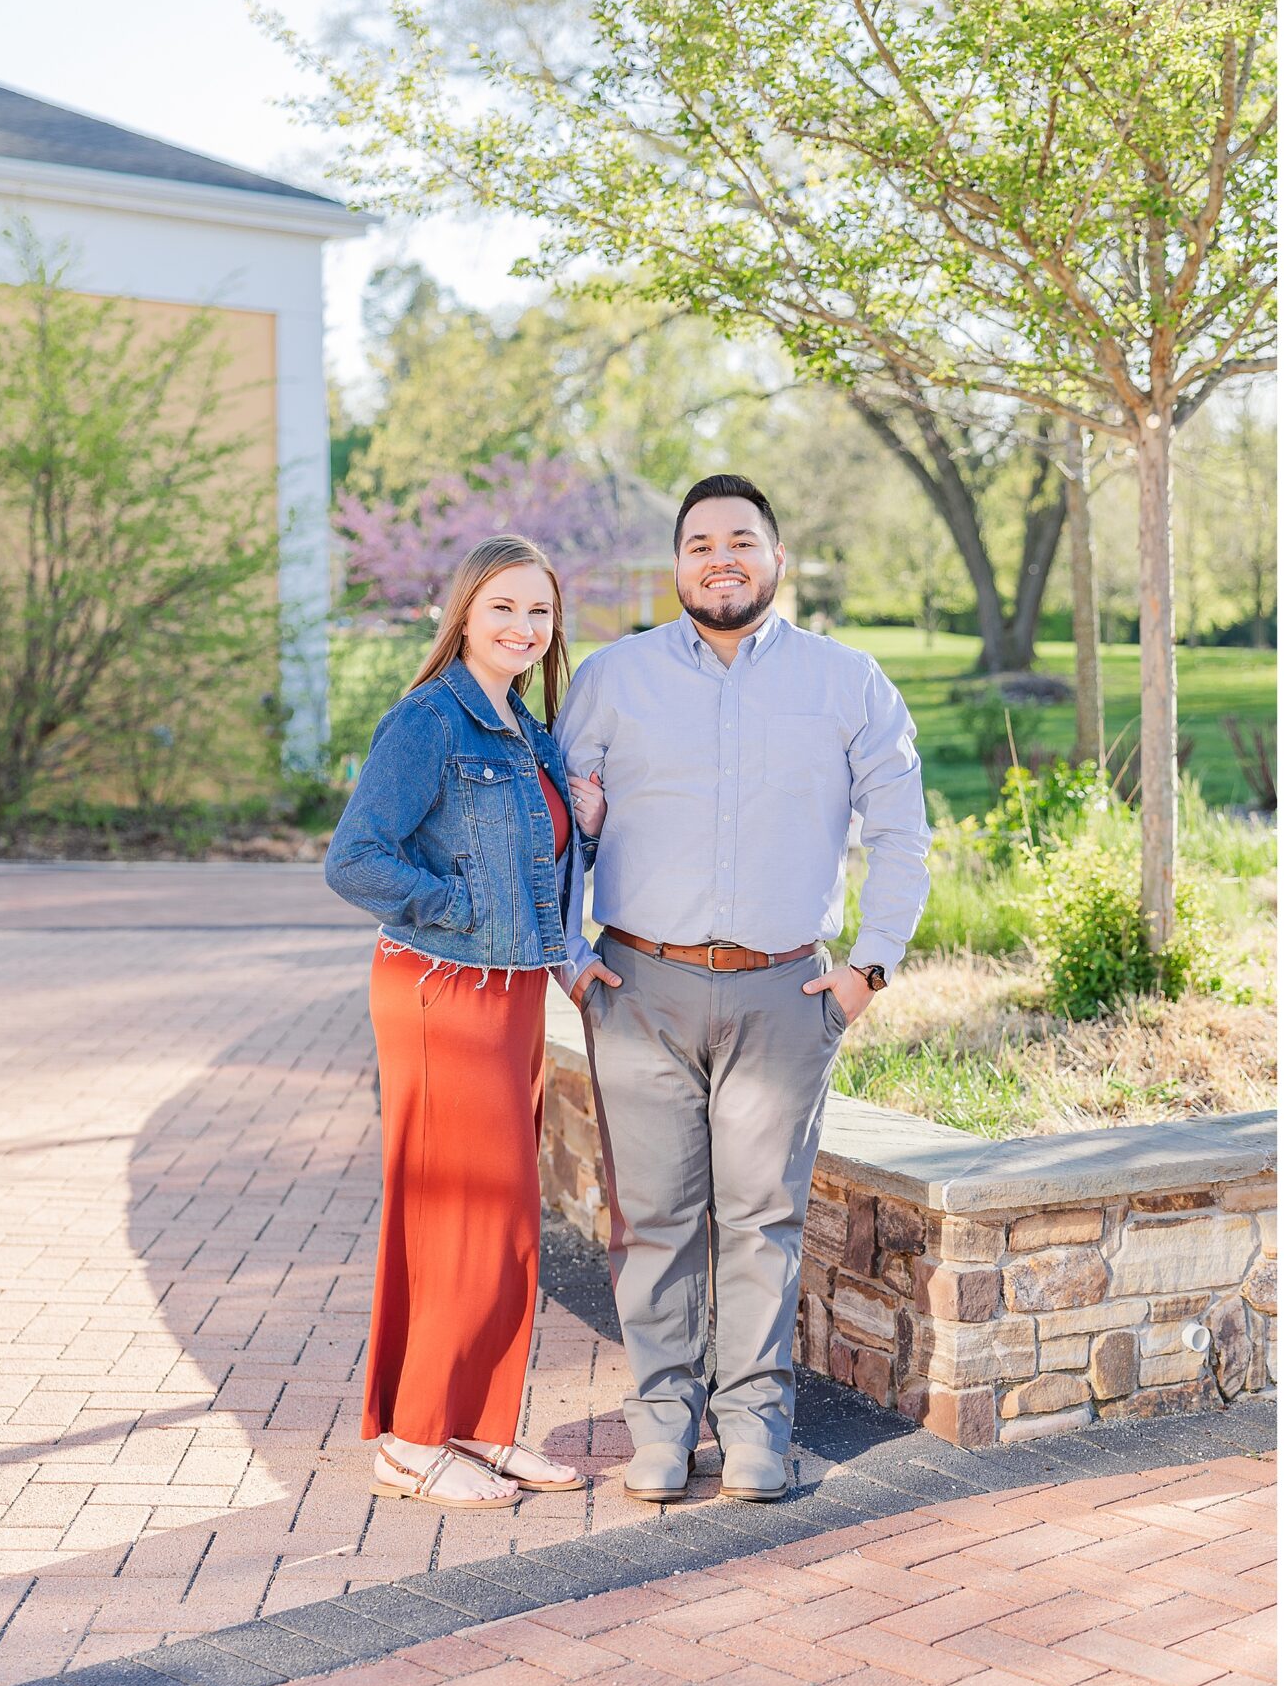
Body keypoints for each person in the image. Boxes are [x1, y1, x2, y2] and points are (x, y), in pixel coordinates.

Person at [556, 475, 930, 1503]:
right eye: (698, 542)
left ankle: (756, 1423)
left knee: (761, 1216)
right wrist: (563, 950)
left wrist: (868, 966)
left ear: (775, 555)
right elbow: (554, 824)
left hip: (782, 991)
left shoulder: (847, 681)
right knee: (658, 1219)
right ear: (674, 563)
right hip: (636, 982)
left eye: (740, 539)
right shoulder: (611, 676)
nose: (719, 557)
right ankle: (662, 1422)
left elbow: (901, 832)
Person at [325, 535, 603, 1509]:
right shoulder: (429, 720)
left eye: (539, 611)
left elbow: (532, 861)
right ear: (463, 614)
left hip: (511, 991)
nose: (524, 627)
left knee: (505, 1221)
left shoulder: (525, 727)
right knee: (456, 1214)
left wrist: (585, 814)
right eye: (504, 607)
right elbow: (354, 858)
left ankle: (473, 1426)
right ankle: (410, 1438)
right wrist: (453, 908)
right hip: (441, 990)